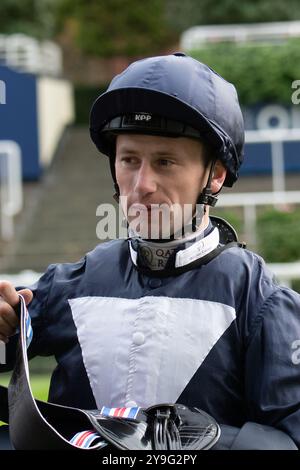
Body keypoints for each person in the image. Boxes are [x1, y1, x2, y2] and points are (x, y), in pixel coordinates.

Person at [0, 52, 300, 450]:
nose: (142, 184)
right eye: (129, 160)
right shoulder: (68, 284)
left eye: (165, 162)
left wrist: (201, 441)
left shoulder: (261, 301)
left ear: (215, 174)